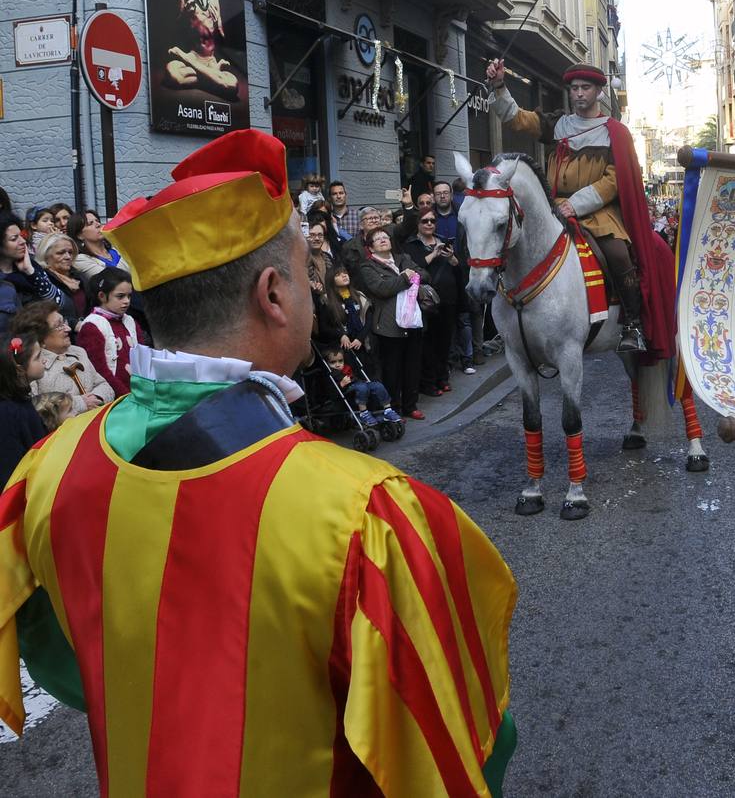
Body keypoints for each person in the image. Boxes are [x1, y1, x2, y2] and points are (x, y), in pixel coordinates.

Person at [0, 129, 517, 796]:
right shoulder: (367, 515)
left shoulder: (47, 473)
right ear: (273, 295)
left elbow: (68, 668)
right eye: (306, 273)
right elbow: (462, 748)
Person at [485, 58, 674, 355]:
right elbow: (516, 118)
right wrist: (499, 85)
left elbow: (613, 180)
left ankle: (632, 324)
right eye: (574, 88)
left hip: (599, 212)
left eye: (585, 87)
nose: (579, 93)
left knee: (617, 253)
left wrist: (576, 204)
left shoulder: (615, 132)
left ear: (599, 91)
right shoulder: (559, 124)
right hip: (553, 208)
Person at [360, 227, 425, 420]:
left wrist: (412, 276)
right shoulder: (368, 266)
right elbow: (381, 289)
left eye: (385, 237)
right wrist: (405, 278)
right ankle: (393, 408)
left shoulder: (402, 258)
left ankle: (410, 406)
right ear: (370, 248)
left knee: (412, 366)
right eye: (377, 239)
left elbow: (423, 274)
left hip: (413, 321)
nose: (382, 240)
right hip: (389, 325)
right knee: (392, 369)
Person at [11, 300, 115, 412]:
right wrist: (80, 403)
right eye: (59, 326)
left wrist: (96, 397)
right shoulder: (34, 366)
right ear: (40, 338)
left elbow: (104, 385)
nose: (68, 329)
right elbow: (35, 407)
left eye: (64, 322)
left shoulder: (79, 352)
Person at [406, 210, 461, 396]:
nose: (429, 224)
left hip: (447, 299)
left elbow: (457, 268)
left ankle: (442, 378)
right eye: (425, 221)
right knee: (428, 344)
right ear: (418, 224)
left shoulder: (443, 241)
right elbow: (415, 267)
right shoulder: (412, 244)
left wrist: (451, 257)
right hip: (426, 302)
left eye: (432, 221)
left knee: (445, 342)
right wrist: (433, 254)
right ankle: (429, 383)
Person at [75, 268, 146, 396]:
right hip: (117, 397)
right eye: (120, 296)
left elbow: (143, 355)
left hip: (141, 390)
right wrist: (126, 396)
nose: (127, 301)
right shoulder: (92, 326)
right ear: (102, 296)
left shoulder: (129, 321)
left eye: (129, 296)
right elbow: (100, 371)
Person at [0, 214, 61, 337]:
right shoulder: (3, 285)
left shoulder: (31, 266)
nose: (22, 241)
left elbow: (59, 302)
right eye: (14, 239)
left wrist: (30, 272)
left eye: (21, 236)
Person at [0, 334, 47, 480]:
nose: (44, 360)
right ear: (19, 369)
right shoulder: (8, 413)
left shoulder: (21, 403)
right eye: (38, 357)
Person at [321, 346, 398, 427]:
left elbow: (355, 379)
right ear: (327, 363)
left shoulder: (347, 368)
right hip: (347, 391)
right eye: (333, 362)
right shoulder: (330, 375)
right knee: (362, 387)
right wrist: (341, 384)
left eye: (340, 361)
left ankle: (388, 410)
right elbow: (331, 393)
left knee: (378, 385)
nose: (337, 365)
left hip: (358, 385)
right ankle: (364, 413)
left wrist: (364, 382)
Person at [34, 232, 87, 326]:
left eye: (70, 252)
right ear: (45, 255)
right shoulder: (43, 281)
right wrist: (74, 324)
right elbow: (43, 315)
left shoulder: (80, 276)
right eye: (60, 253)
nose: (68, 257)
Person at [69, 210, 129, 280]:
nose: (98, 225)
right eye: (90, 223)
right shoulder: (80, 259)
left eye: (97, 221)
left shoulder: (116, 248)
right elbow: (110, 279)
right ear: (79, 235)